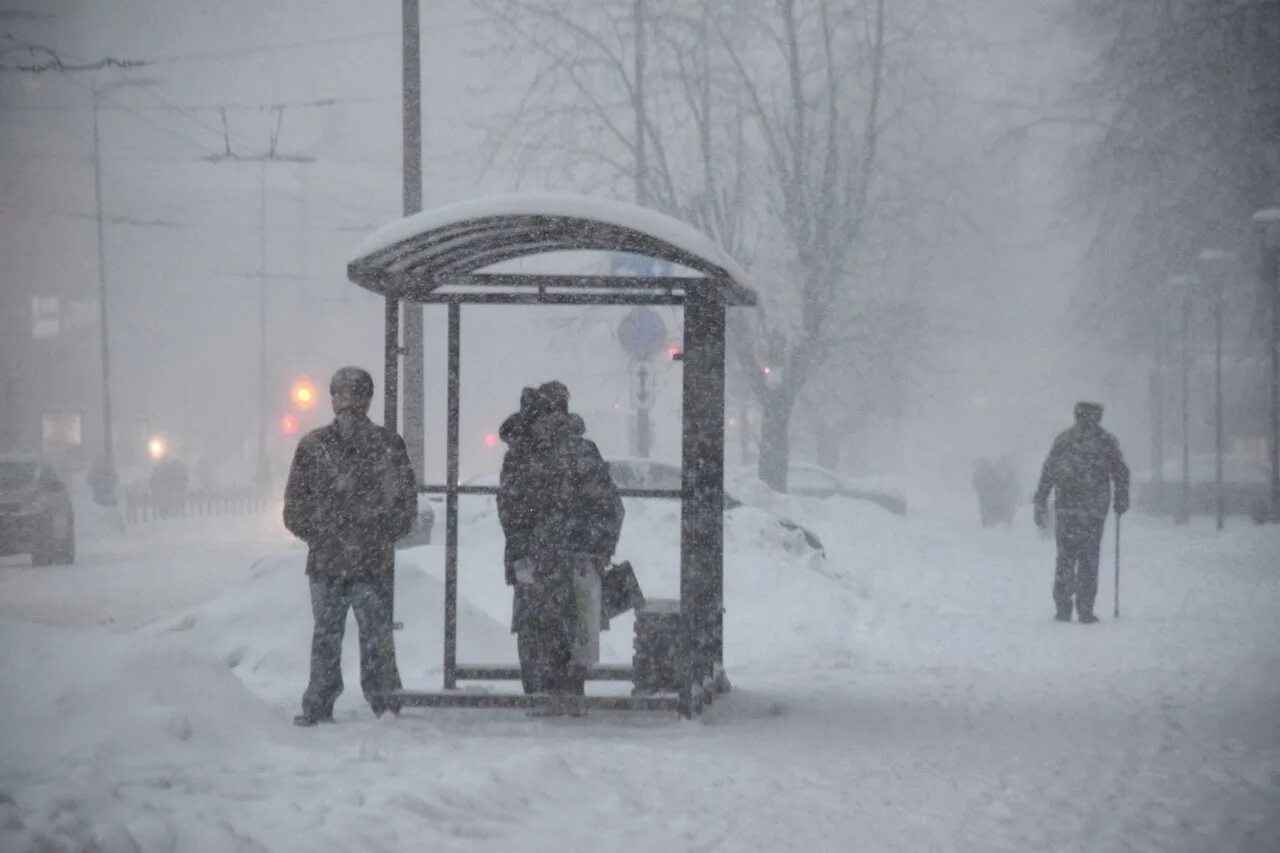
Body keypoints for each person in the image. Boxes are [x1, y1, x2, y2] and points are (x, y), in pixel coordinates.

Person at [283, 367, 417, 725]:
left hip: (344, 561)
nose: (347, 403)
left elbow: (405, 506)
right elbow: (294, 508)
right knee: (357, 637)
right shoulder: (383, 445)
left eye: (353, 395)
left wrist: (331, 532)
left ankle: (332, 702)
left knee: (348, 636)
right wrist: (367, 532)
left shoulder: (320, 446)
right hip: (358, 561)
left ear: (366, 399)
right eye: (341, 395)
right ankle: (378, 701)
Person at [496, 381, 624, 714]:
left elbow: (607, 506)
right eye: (544, 416)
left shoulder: (567, 454)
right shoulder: (528, 457)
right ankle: (549, 697)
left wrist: (595, 547)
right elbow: (510, 511)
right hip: (546, 561)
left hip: (564, 562)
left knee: (563, 634)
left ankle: (559, 697)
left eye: (555, 416)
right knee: (543, 634)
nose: (549, 424)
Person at [1033, 401, 1129, 624]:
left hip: (1067, 507)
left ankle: (1063, 607)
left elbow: (1048, 471)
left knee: (1065, 557)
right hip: (1094, 510)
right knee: (1089, 558)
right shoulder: (1106, 441)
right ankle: (1085, 608)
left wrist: (1041, 500)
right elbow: (1121, 472)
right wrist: (1121, 498)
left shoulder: (1065, 440)